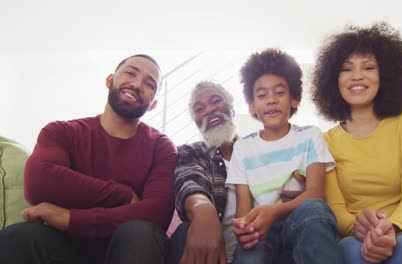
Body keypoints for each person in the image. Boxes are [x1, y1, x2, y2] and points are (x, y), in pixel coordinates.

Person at [0, 54, 178, 264]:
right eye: (130, 73)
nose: (137, 84)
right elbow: (39, 180)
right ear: (110, 80)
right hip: (67, 248)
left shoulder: (162, 146)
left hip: (129, 247)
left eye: (149, 84)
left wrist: (70, 219)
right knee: (18, 237)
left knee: (140, 232)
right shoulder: (62, 131)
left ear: (153, 104)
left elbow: (156, 212)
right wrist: (124, 196)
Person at [311, 22, 402, 263]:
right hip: (356, 241)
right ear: (333, 79)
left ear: (385, 74)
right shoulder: (324, 142)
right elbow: (336, 209)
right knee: (348, 253)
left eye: (368, 67)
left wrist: (391, 228)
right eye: (346, 69)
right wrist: (360, 229)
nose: (356, 76)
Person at [226, 48, 344, 264]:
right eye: (261, 95)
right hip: (262, 229)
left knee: (315, 209)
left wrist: (276, 211)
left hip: (300, 221)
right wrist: (244, 228)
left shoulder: (310, 136)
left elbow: (316, 194)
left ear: (294, 100)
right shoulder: (242, 147)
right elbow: (243, 208)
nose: (271, 100)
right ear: (252, 106)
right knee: (250, 253)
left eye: (279, 93)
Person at [168, 81, 238, 264]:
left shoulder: (256, 148)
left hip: (263, 249)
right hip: (212, 257)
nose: (208, 110)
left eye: (216, 100)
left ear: (232, 108)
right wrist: (203, 209)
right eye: (199, 109)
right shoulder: (190, 152)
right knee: (185, 230)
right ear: (197, 122)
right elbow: (189, 182)